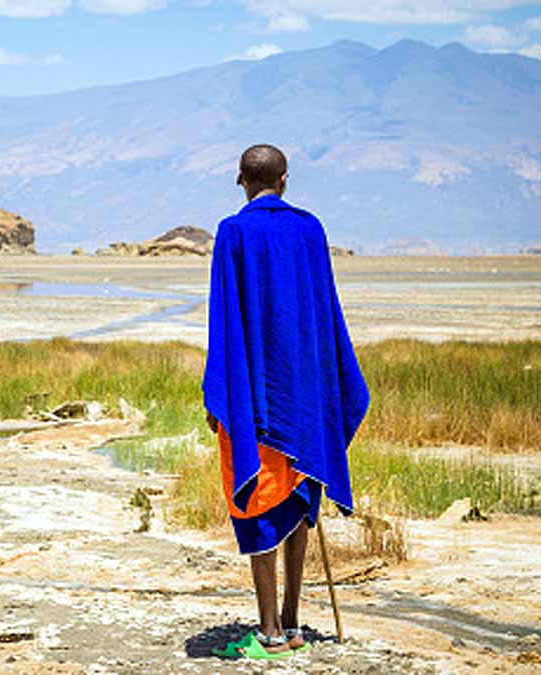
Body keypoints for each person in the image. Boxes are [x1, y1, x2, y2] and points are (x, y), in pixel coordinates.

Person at [203, 144, 370, 660]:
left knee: (256, 500)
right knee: (297, 501)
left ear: (241, 181)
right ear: (286, 180)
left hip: (256, 397)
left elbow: (225, 317)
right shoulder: (310, 228)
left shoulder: (233, 230)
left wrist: (220, 393)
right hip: (305, 396)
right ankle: (295, 621)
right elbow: (322, 312)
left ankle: (271, 631)